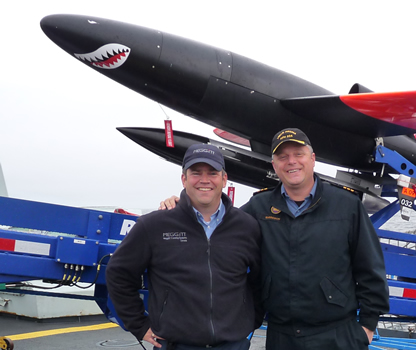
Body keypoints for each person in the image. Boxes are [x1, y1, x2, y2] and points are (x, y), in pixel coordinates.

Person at [161, 128, 389, 350]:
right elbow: (219, 222)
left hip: (338, 334)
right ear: (274, 165)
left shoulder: (347, 205)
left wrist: (367, 326)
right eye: (282, 156)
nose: (291, 162)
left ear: (312, 159)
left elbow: (370, 267)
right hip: (282, 335)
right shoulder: (259, 206)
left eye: (298, 154)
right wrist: (184, 206)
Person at [106, 143, 262, 350]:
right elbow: (119, 274)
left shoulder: (247, 226)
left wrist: (250, 322)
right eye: (196, 173)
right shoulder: (153, 225)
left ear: (224, 179)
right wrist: (139, 325)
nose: (204, 180)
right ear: (184, 179)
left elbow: (260, 280)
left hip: (233, 345)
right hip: (176, 345)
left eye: (213, 173)